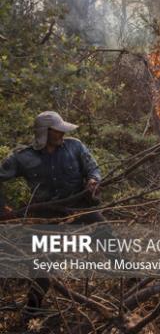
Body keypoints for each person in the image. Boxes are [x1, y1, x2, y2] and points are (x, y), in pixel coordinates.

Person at [0, 110, 104, 320]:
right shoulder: (23, 157)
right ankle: (33, 310)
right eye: (58, 131)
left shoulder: (75, 146)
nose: (63, 134)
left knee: (108, 236)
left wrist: (93, 180)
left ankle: (134, 281)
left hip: (80, 208)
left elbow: (93, 168)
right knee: (46, 263)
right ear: (45, 133)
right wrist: (2, 209)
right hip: (48, 217)